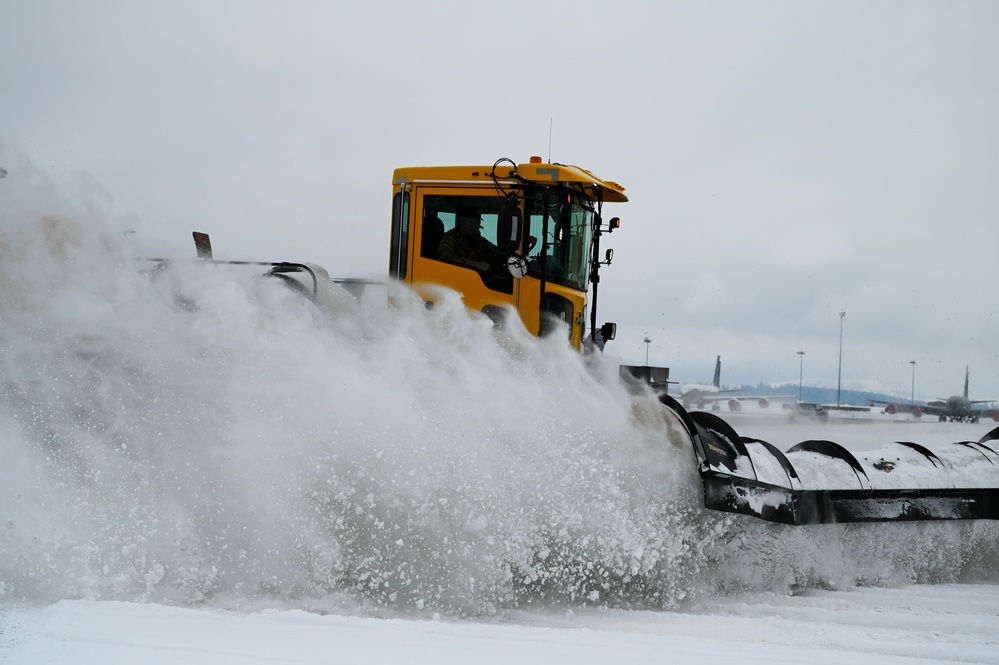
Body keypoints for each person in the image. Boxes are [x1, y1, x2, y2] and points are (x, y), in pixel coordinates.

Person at [437, 206, 509, 272]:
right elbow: (443, 256)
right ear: (461, 222)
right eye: (470, 222)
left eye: (477, 222)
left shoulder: (479, 240)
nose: (474, 226)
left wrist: (509, 256)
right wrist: (473, 264)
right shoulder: (451, 237)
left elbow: (496, 251)